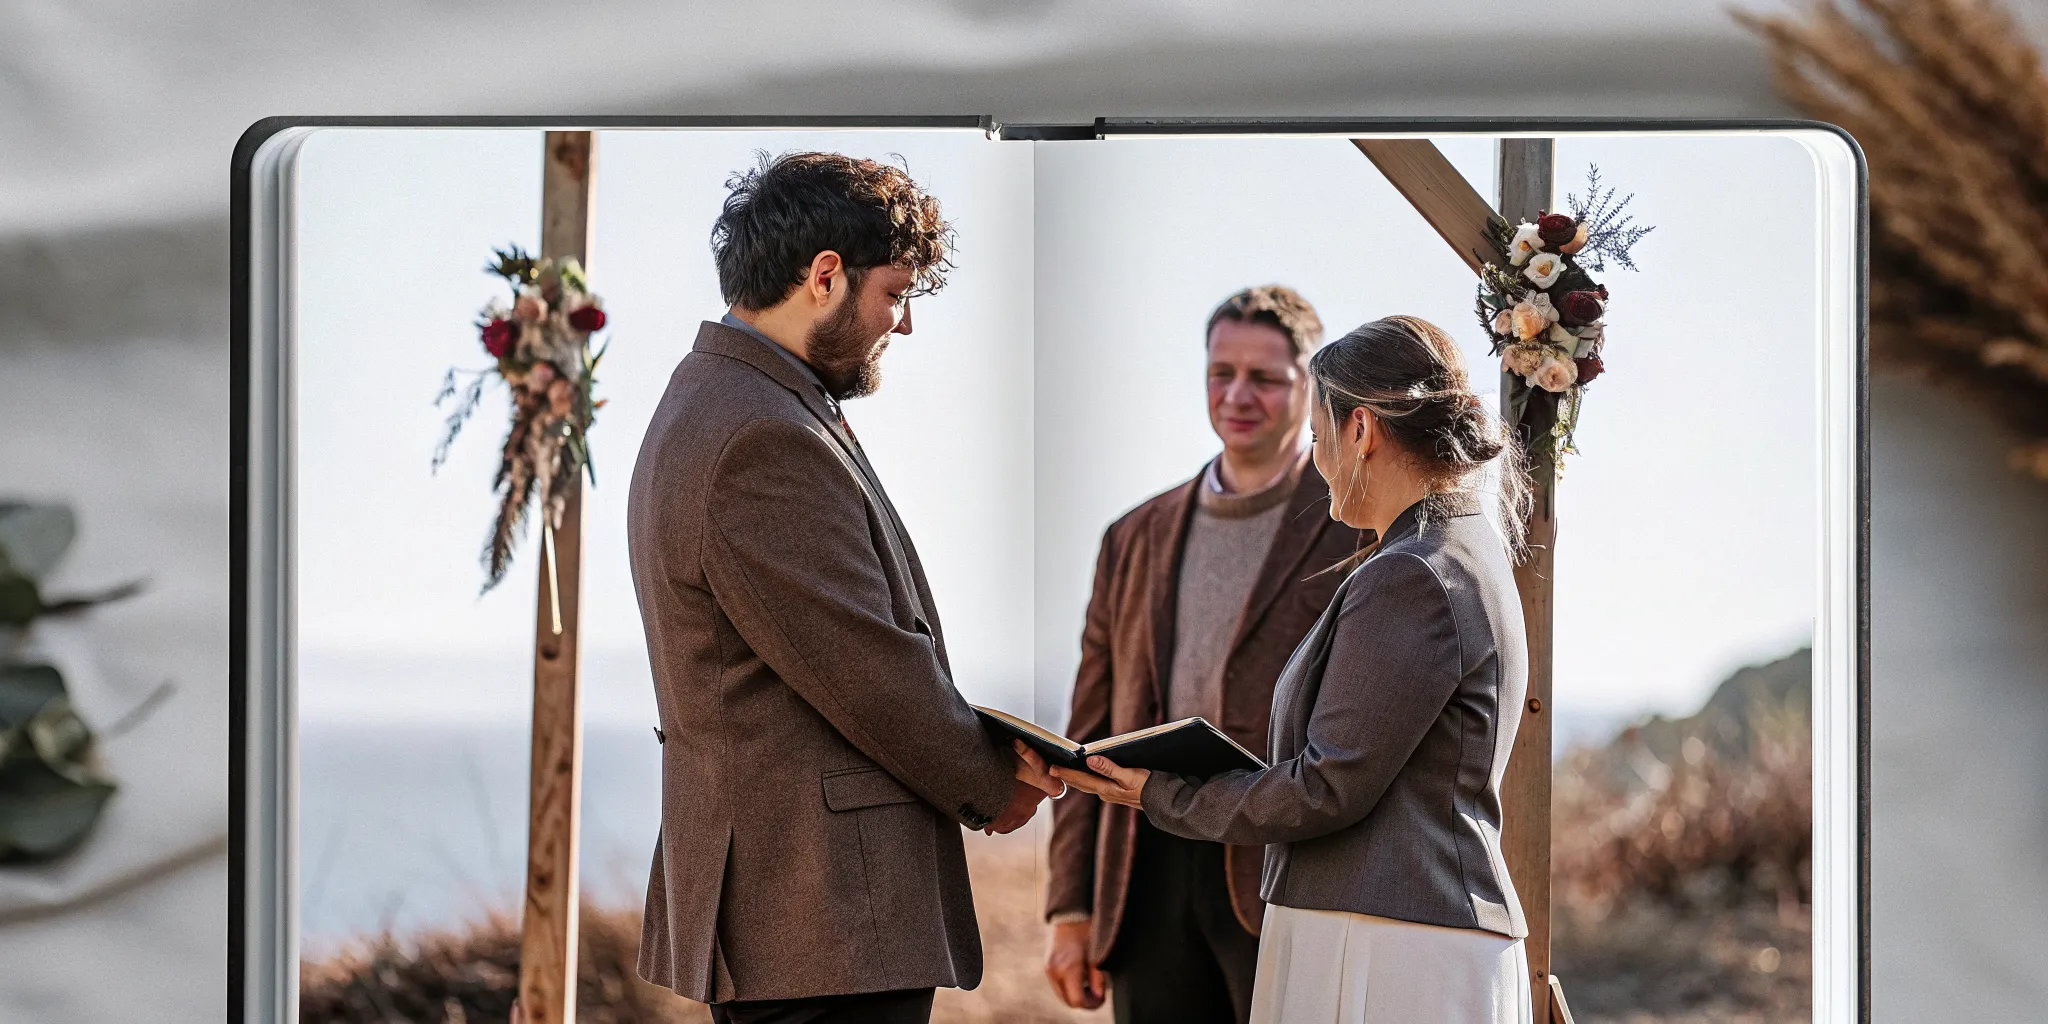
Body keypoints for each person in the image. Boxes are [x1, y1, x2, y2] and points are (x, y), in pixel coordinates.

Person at [626, 151, 1061, 1024]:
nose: (903, 325)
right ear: (825, 276)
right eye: (895, 294)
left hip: (803, 923)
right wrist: (989, 781)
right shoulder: (759, 434)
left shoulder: (726, 400)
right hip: (820, 917)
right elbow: (864, 667)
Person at [1046, 314, 1538, 1024]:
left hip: (1388, 946)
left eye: (1317, 434)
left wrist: (1160, 795)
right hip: (1392, 930)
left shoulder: (1412, 572)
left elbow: (1328, 786)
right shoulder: (1455, 547)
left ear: (1361, 431)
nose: (1319, 461)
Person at [1043, 286, 1366, 1024]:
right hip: (1144, 866)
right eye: (1222, 373)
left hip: (1285, 870)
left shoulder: (1355, 530)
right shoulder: (1132, 537)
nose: (1238, 395)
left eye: (1264, 378)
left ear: (1311, 387)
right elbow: (1088, 729)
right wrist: (1070, 908)